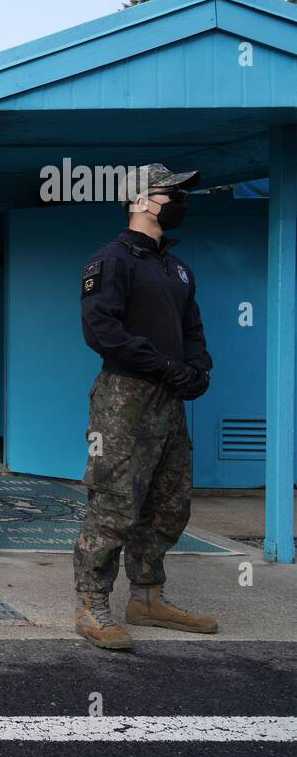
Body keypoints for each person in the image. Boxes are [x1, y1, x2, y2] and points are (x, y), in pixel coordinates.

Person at [74, 164, 218, 650]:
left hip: (169, 398)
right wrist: (164, 367)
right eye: (171, 194)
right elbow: (103, 332)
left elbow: (192, 327)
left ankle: (148, 596)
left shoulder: (176, 268)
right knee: (115, 501)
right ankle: (93, 604)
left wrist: (197, 368)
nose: (181, 202)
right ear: (140, 201)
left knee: (169, 501)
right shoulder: (111, 261)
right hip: (125, 398)